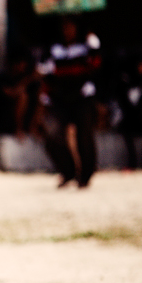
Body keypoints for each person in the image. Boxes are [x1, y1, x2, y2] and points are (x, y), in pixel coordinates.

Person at [37, 17, 102, 188]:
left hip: (82, 97)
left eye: (70, 27)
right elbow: (47, 76)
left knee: (84, 136)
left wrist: (93, 43)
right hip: (60, 99)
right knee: (51, 134)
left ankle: (86, 176)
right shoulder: (54, 49)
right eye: (64, 27)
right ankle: (68, 172)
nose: (67, 31)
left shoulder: (87, 46)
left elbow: (97, 66)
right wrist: (45, 98)